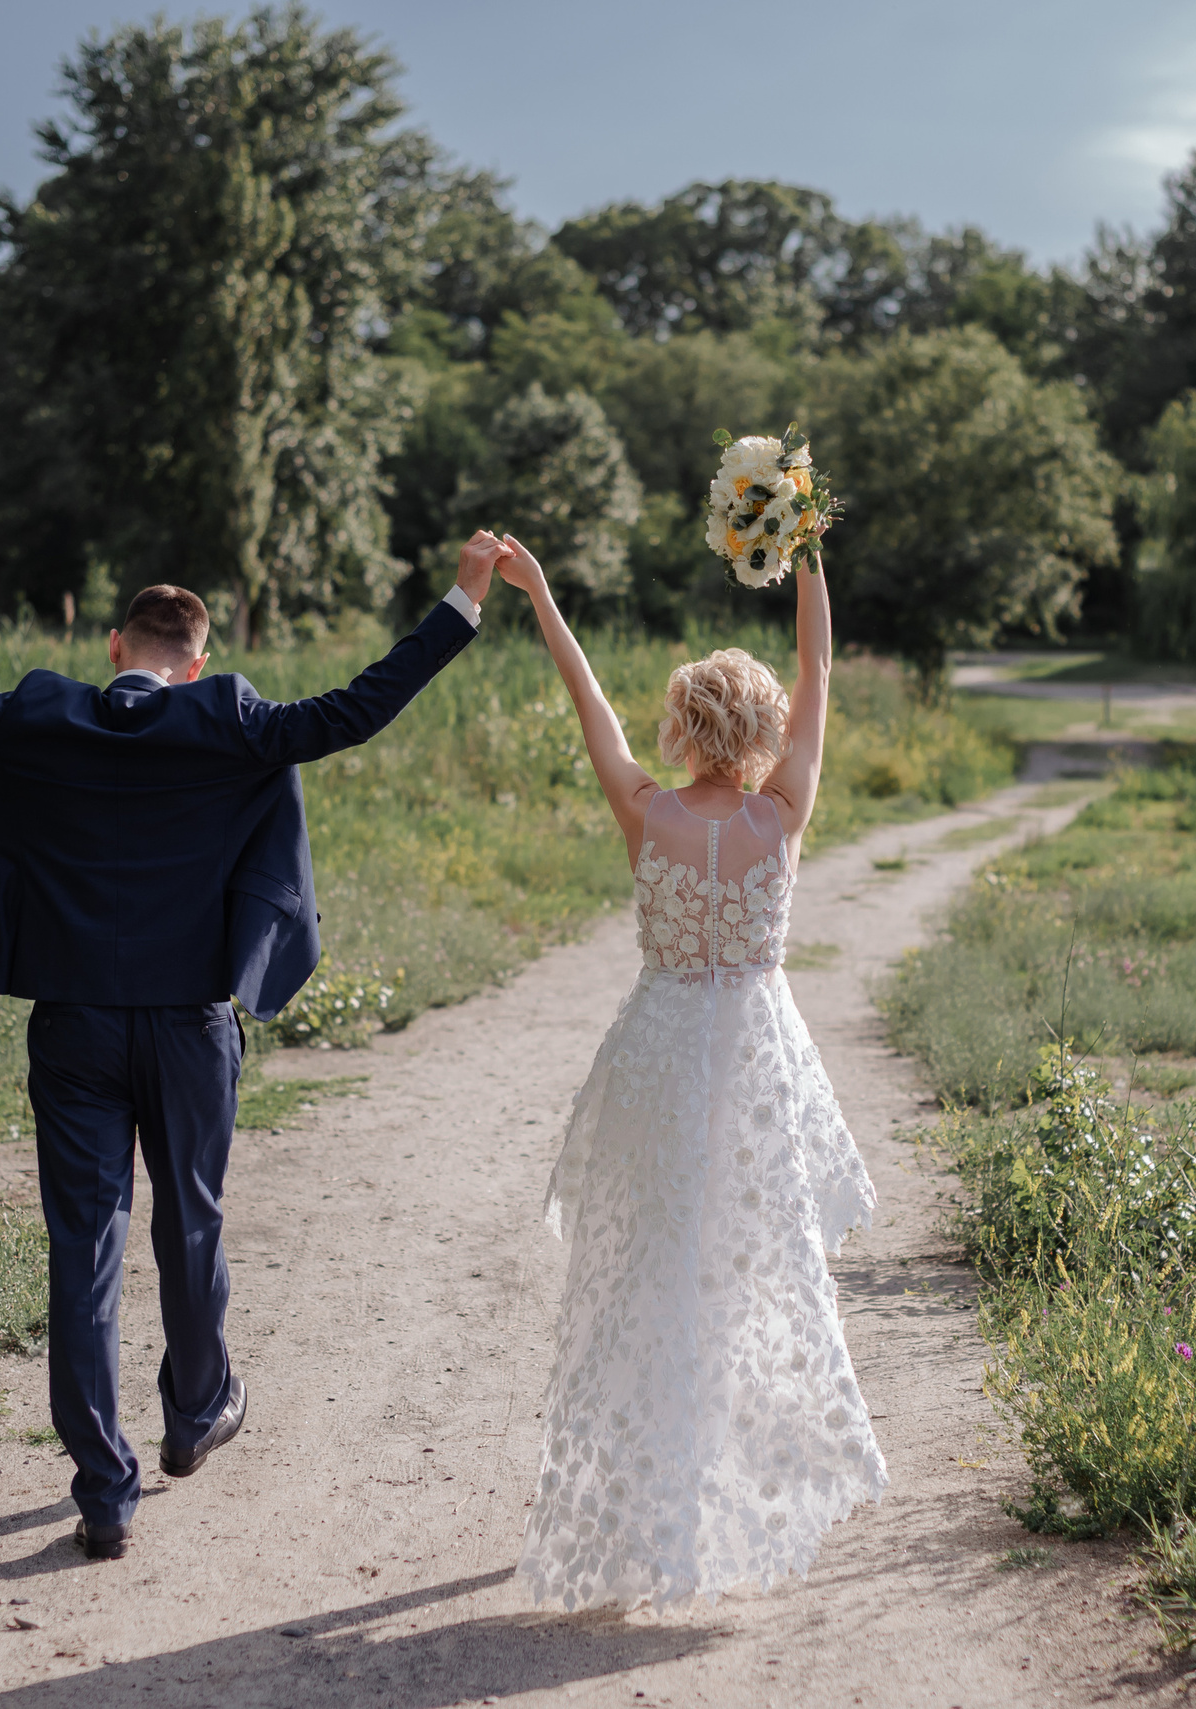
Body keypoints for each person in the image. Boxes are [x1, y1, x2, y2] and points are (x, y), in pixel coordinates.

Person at [0, 503, 500, 1561]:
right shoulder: (229, 718)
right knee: (190, 1218)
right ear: (196, 660)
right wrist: (461, 600)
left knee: (82, 1245)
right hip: (190, 1025)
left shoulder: (42, 715)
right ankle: (196, 1411)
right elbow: (359, 706)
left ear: (113, 649)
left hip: (76, 1027)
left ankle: (103, 1489)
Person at [496, 532, 887, 1609]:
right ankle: (718, 1478)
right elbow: (820, 669)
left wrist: (540, 594)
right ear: (761, 729)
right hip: (754, 1054)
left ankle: (640, 1490)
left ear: (682, 724)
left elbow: (589, 701)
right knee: (748, 1265)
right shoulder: (783, 812)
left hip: (660, 1050)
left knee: (648, 1271)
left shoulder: (646, 809)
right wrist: (805, 551)